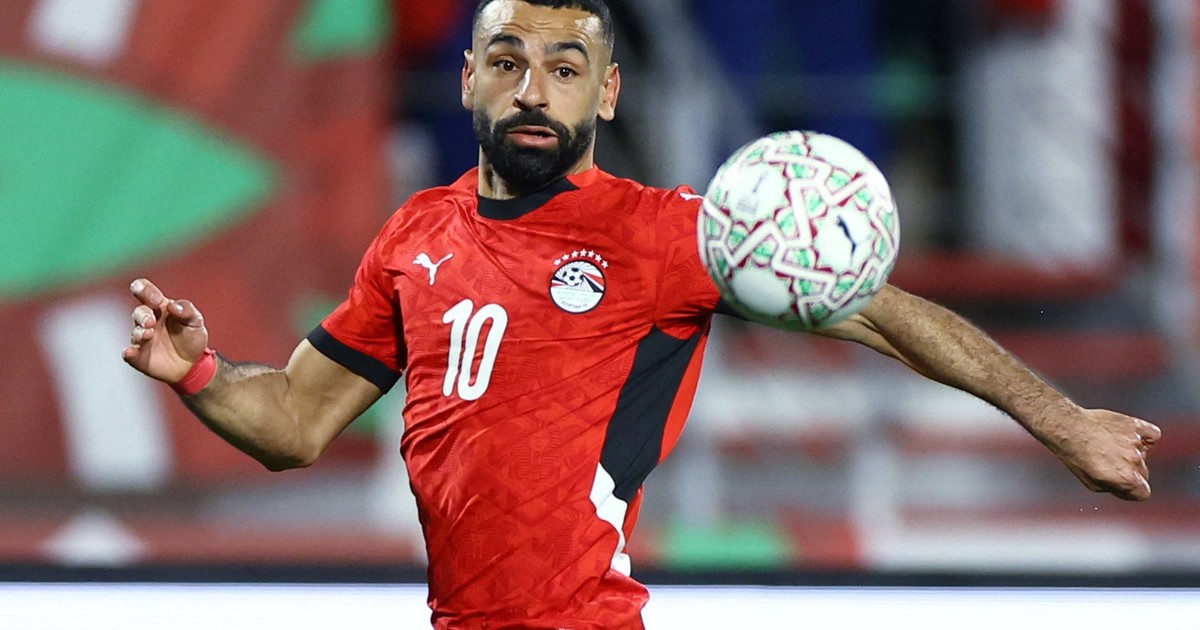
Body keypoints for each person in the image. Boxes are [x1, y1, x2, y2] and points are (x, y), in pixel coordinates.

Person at [122, 1, 1161, 628]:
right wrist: (201, 374)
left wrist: (1063, 421)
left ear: (609, 93)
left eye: (565, 69)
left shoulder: (669, 233)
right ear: (470, 78)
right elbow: (296, 423)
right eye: (508, 62)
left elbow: (884, 315)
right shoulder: (415, 235)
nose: (535, 90)